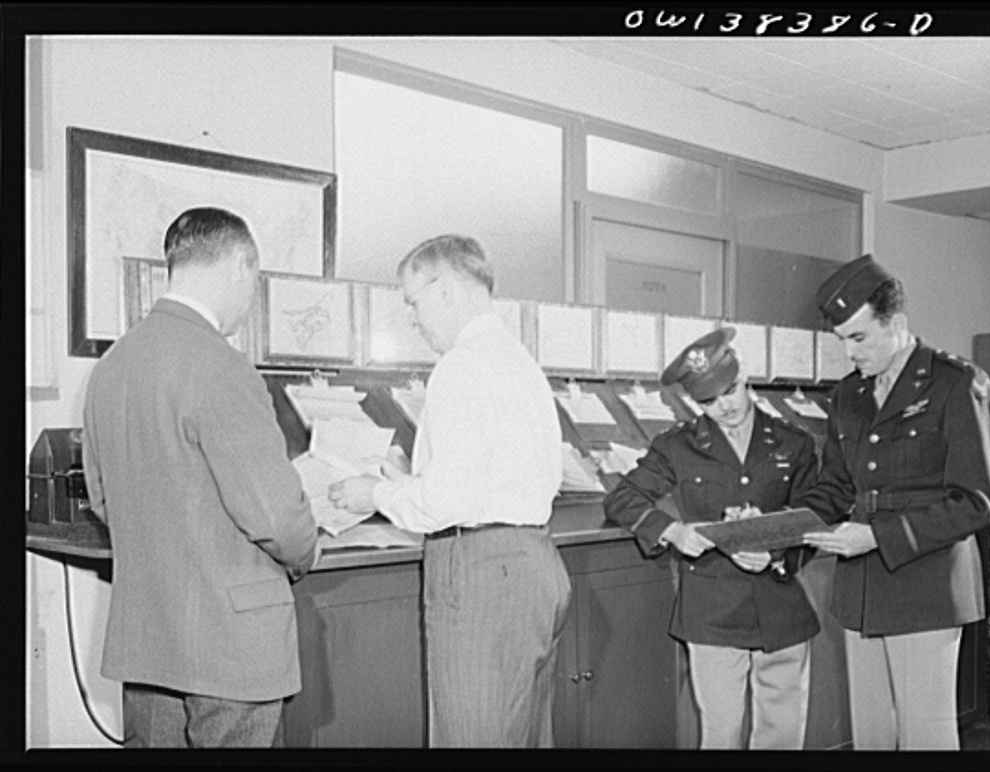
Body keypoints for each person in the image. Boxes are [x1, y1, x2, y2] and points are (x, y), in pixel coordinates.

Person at [82, 207, 320, 748]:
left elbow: (102, 500)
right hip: (229, 648)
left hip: (149, 640)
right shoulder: (222, 366)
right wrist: (305, 555)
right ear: (240, 265)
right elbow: (278, 517)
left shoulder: (112, 366)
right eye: (254, 281)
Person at [328, 235, 571, 748]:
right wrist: (408, 483)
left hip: (481, 572)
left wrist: (374, 493)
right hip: (533, 564)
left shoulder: (461, 365)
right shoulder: (519, 361)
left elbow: (447, 503)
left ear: (445, 290)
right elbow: (498, 476)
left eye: (414, 301)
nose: (414, 319)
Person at [796, 254, 990, 750]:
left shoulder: (957, 385)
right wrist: (779, 531)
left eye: (859, 337)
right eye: (841, 340)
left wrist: (875, 536)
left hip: (925, 585)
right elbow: (836, 487)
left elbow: (977, 501)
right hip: (862, 591)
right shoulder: (848, 395)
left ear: (897, 324)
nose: (849, 353)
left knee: (924, 737)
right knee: (872, 736)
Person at [604, 327, 820, 750]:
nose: (725, 406)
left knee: (783, 735)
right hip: (713, 613)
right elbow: (622, 498)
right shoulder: (677, 446)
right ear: (692, 402)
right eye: (708, 400)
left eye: (731, 390)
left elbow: (814, 518)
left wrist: (776, 552)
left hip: (781, 607)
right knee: (719, 735)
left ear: (746, 379)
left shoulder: (794, 443)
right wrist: (672, 531)